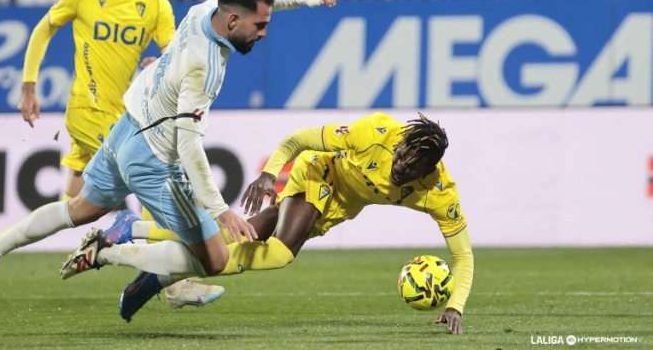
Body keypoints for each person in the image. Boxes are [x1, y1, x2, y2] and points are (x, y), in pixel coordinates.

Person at [0, 0, 339, 303]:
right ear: (234, 20)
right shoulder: (203, 69)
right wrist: (220, 209)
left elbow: (265, 1)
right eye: (259, 26)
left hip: (127, 129)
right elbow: (188, 146)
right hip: (153, 160)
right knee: (216, 258)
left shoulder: (205, 11)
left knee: (79, 208)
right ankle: (107, 251)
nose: (264, 33)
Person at [0, 0, 219, 308]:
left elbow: (172, 55)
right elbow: (43, 30)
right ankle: (174, 283)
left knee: (73, 207)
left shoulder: (155, 3)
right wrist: (29, 85)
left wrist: (158, 63)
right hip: (88, 111)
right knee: (153, 176)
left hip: (125, 115)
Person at [63, 112, 474, 333]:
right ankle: (131, 258)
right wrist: (269, 173)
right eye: (400, 157)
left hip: (336, 209)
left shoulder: (439, 192)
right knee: (279, 254)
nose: (399, 168)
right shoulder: (375, 132)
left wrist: (455, 304)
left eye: (410, 169)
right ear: (398, 144)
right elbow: (300, 139)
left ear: (429, 170)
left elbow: (464, 256)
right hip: (317, 176)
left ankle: (132, 231)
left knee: (235, 234)